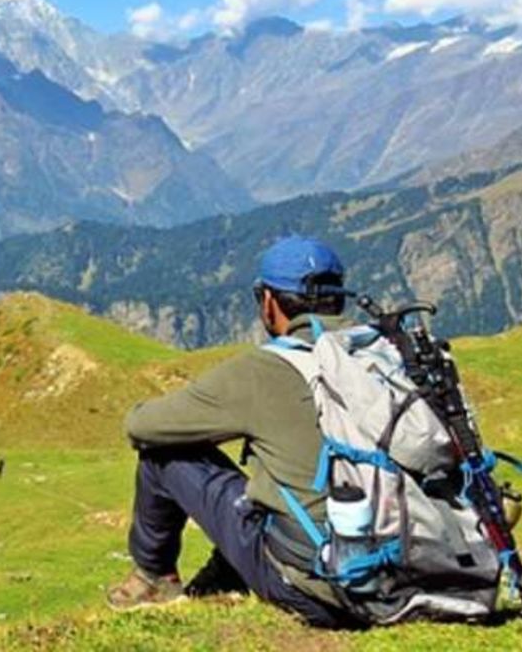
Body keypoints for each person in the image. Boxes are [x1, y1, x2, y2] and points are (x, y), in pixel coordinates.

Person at [104, 236, 361, 629]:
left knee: (162, 453)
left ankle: (153, 582)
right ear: (339, 299)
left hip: (322, 591)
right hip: (426, 571)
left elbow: (143, 427)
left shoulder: (267, 370)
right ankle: (218, 580)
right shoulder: (394, 357)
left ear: (269, 302)